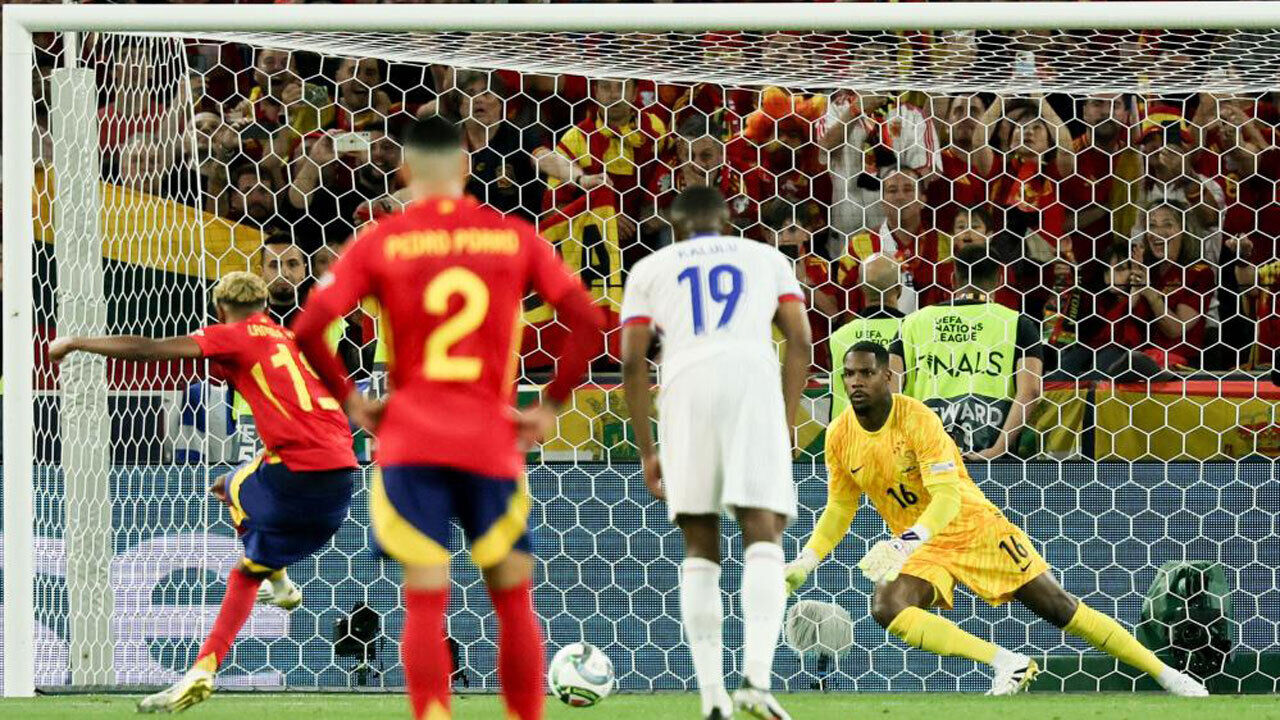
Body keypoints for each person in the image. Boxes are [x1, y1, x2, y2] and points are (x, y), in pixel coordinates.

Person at [291, 116, 604, 720]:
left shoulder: (382, 241)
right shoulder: (512, 237)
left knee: (425, 599)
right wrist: (549, 404)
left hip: (411, 438)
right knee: (512, 600)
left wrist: (354, 401)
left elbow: (308, 328)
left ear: (405, 170)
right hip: (489, 438)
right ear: (465, 168)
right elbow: (588, 322)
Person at [784, 341, 1209, 698]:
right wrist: (806, 560)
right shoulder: (840, 435)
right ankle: (1008, 662)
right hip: (923, 545)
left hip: (974, 529)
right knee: (888, 606)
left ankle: (1166, 675)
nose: (856, 382)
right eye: (849, 374)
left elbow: (948, 496)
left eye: (866, 373)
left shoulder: (917, 419)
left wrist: (905, 541)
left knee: (1060, 608)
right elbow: (840, 507)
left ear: (887, 377)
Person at [48, 272, 358, 713]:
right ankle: (262, 602)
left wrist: (76, 342)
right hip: (340, 472)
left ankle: (234, 634)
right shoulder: (289, 339)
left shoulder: (233, 334)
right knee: (243, 550)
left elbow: (149, 349)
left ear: (219, 308)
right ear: (264, 305)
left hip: (296, 468)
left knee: (231, 490)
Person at [620, 185, 812, 720]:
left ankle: (712, 699)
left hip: (685, 386)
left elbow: (632, 361)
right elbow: (800, 340)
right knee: (762, 528)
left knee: (700, 541)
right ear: (728, 222)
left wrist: (648, 450)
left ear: (674, 227)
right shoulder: (767, 258)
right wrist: (784, 421)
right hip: (751, 383)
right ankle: (756, 681)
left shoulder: (650, 268)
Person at [889, 246, 1042, 459]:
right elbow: (1031, 391)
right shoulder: (1018, 324)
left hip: (926, 455)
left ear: (953, 280)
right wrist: (997, 450)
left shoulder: (912, 323)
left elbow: (889, 392)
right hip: (991, 458)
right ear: (1000, 281)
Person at [827, 253, 904, 420]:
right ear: (899, 288)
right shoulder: (911, 330)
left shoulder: (839, 336)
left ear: (861, 288)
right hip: (899, 429)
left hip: (848, 430)